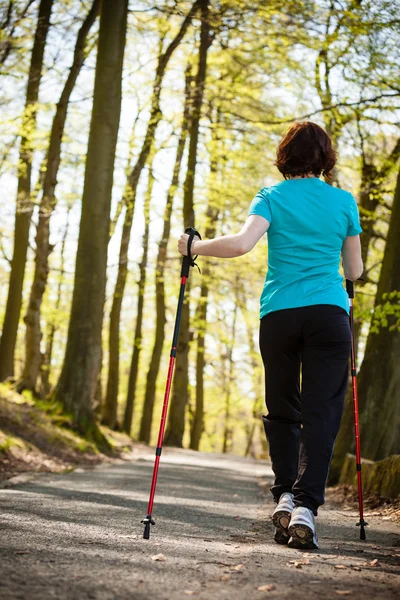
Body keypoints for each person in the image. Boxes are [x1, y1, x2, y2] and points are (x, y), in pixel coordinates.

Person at [177, 121, 363, 550]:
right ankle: (304, 507)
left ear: (286, 156)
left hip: (279, 314)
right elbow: (353, 272)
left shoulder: (272, 196)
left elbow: (242, 244)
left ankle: (283, 493)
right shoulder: (343, 201)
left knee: (282, 407)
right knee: (322, 413)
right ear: (325, 159)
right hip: (328, 314)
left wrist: (194, 247)